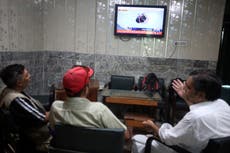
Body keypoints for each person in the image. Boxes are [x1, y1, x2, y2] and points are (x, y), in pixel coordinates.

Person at [132, 70, 230, 153]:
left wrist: (152, 126)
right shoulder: (223, 104)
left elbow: (167, 139)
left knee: (137, 139)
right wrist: (185, 97)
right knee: (166, 127)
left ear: (200, 95)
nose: (183, 88)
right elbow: (199, 110)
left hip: (186, 150)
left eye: (187, 87)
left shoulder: (194, 117)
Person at [49, 65, 130, 139]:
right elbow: (125, 135)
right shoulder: (99, 110)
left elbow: (52, 129)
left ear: (64, 88)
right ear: (86, 89)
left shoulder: (55, 108)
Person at [0, 64, 50, 152]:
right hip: (36, 140)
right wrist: (58, 110)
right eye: (26, 75)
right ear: (19, 83)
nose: (29, 76)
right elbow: (43, 118)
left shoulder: (10, 90)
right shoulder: (16, 99)